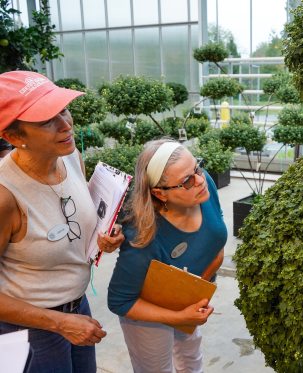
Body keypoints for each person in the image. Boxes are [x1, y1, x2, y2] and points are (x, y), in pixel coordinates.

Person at [0, 70, 124, 372]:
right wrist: (59, 323)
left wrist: (101, 236)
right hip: (31, 330)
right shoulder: (6, 196)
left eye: (63, 110)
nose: (66, 125)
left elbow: (74, 224)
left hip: (77, 309)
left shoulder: (69, 156)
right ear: (14, 137)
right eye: (47, 120)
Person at [108, 139, 227, 373]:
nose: (200, 180)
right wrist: (178, 316)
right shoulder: (144, 236)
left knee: (192, 362)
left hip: (188, 300)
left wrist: (197, 288)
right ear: (159, 193)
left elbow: (215, 233)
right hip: (148, 312)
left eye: (198, 167)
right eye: (187, 181)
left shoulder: (205, 187)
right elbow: (120, 301)